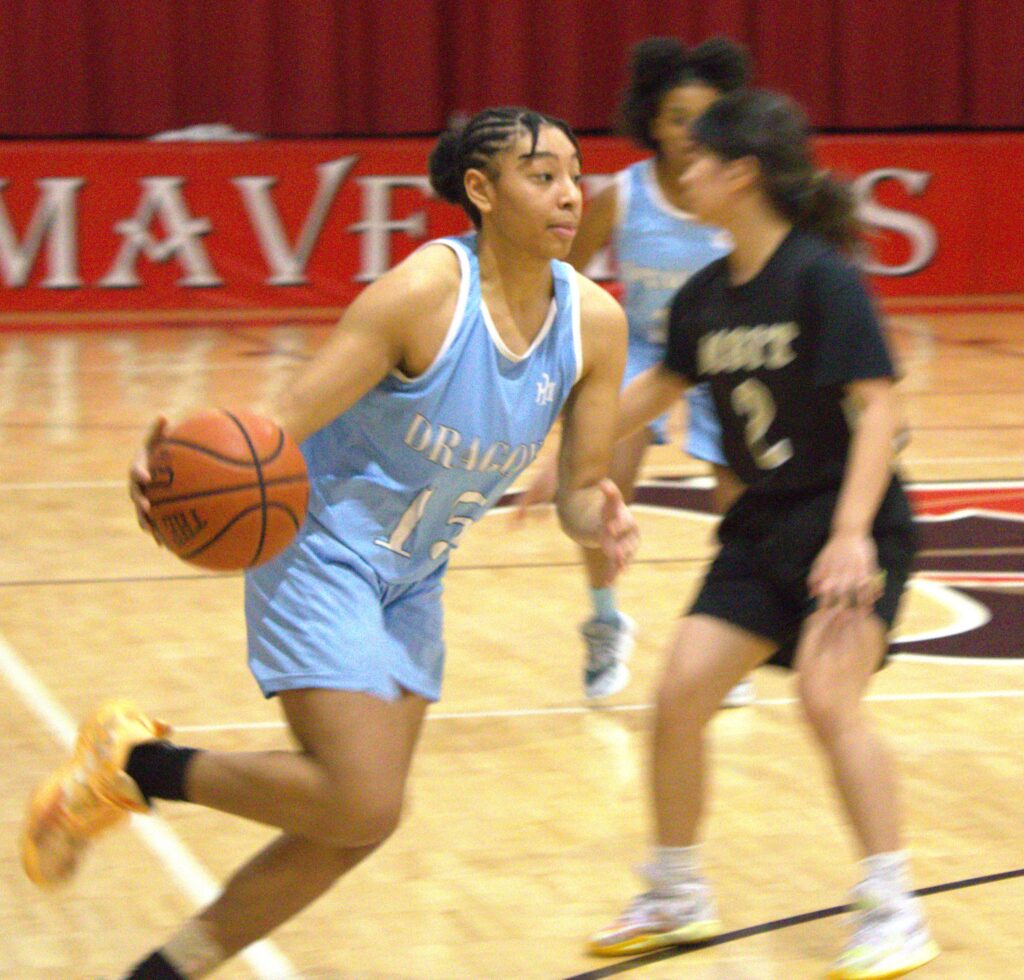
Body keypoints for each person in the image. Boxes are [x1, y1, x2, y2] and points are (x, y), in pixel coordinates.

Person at [20, 106, 639, 980]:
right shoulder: (422, 296)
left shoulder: (595, 326)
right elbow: (279, 423)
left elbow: (576, 493)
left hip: (415, 574)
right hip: (320, 549)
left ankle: (160, 972)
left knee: (359, 824)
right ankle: (131, 763)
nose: (572, 194)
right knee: (359, 794)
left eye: (577, 173)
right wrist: (171, 462)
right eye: (543, 176)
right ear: (480, 191)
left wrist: (598, 518)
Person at [586, 89, 939, 979]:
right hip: (763, 529)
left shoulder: (820, 277)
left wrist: (853, 534)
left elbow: (878, 408)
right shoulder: (708, 295)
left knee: (828, 700)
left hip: (850, 523)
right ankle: (676, 894)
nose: (683, 171)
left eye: (697, 159)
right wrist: (565, 462)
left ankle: (895, 909)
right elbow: (657, 392)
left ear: (741, 174)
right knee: (677, 700)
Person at [519, 37, 755, 705]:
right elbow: (563, 280)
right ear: (652, 120)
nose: (690, 132)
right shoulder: (623, 196)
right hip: (646, 352)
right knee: (591, 494)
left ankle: (726, 640)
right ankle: (603, 618)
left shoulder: (738, 195)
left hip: (725, 356)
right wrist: (558, 406)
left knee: (740, 505)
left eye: (705, 118)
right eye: (677, 116)